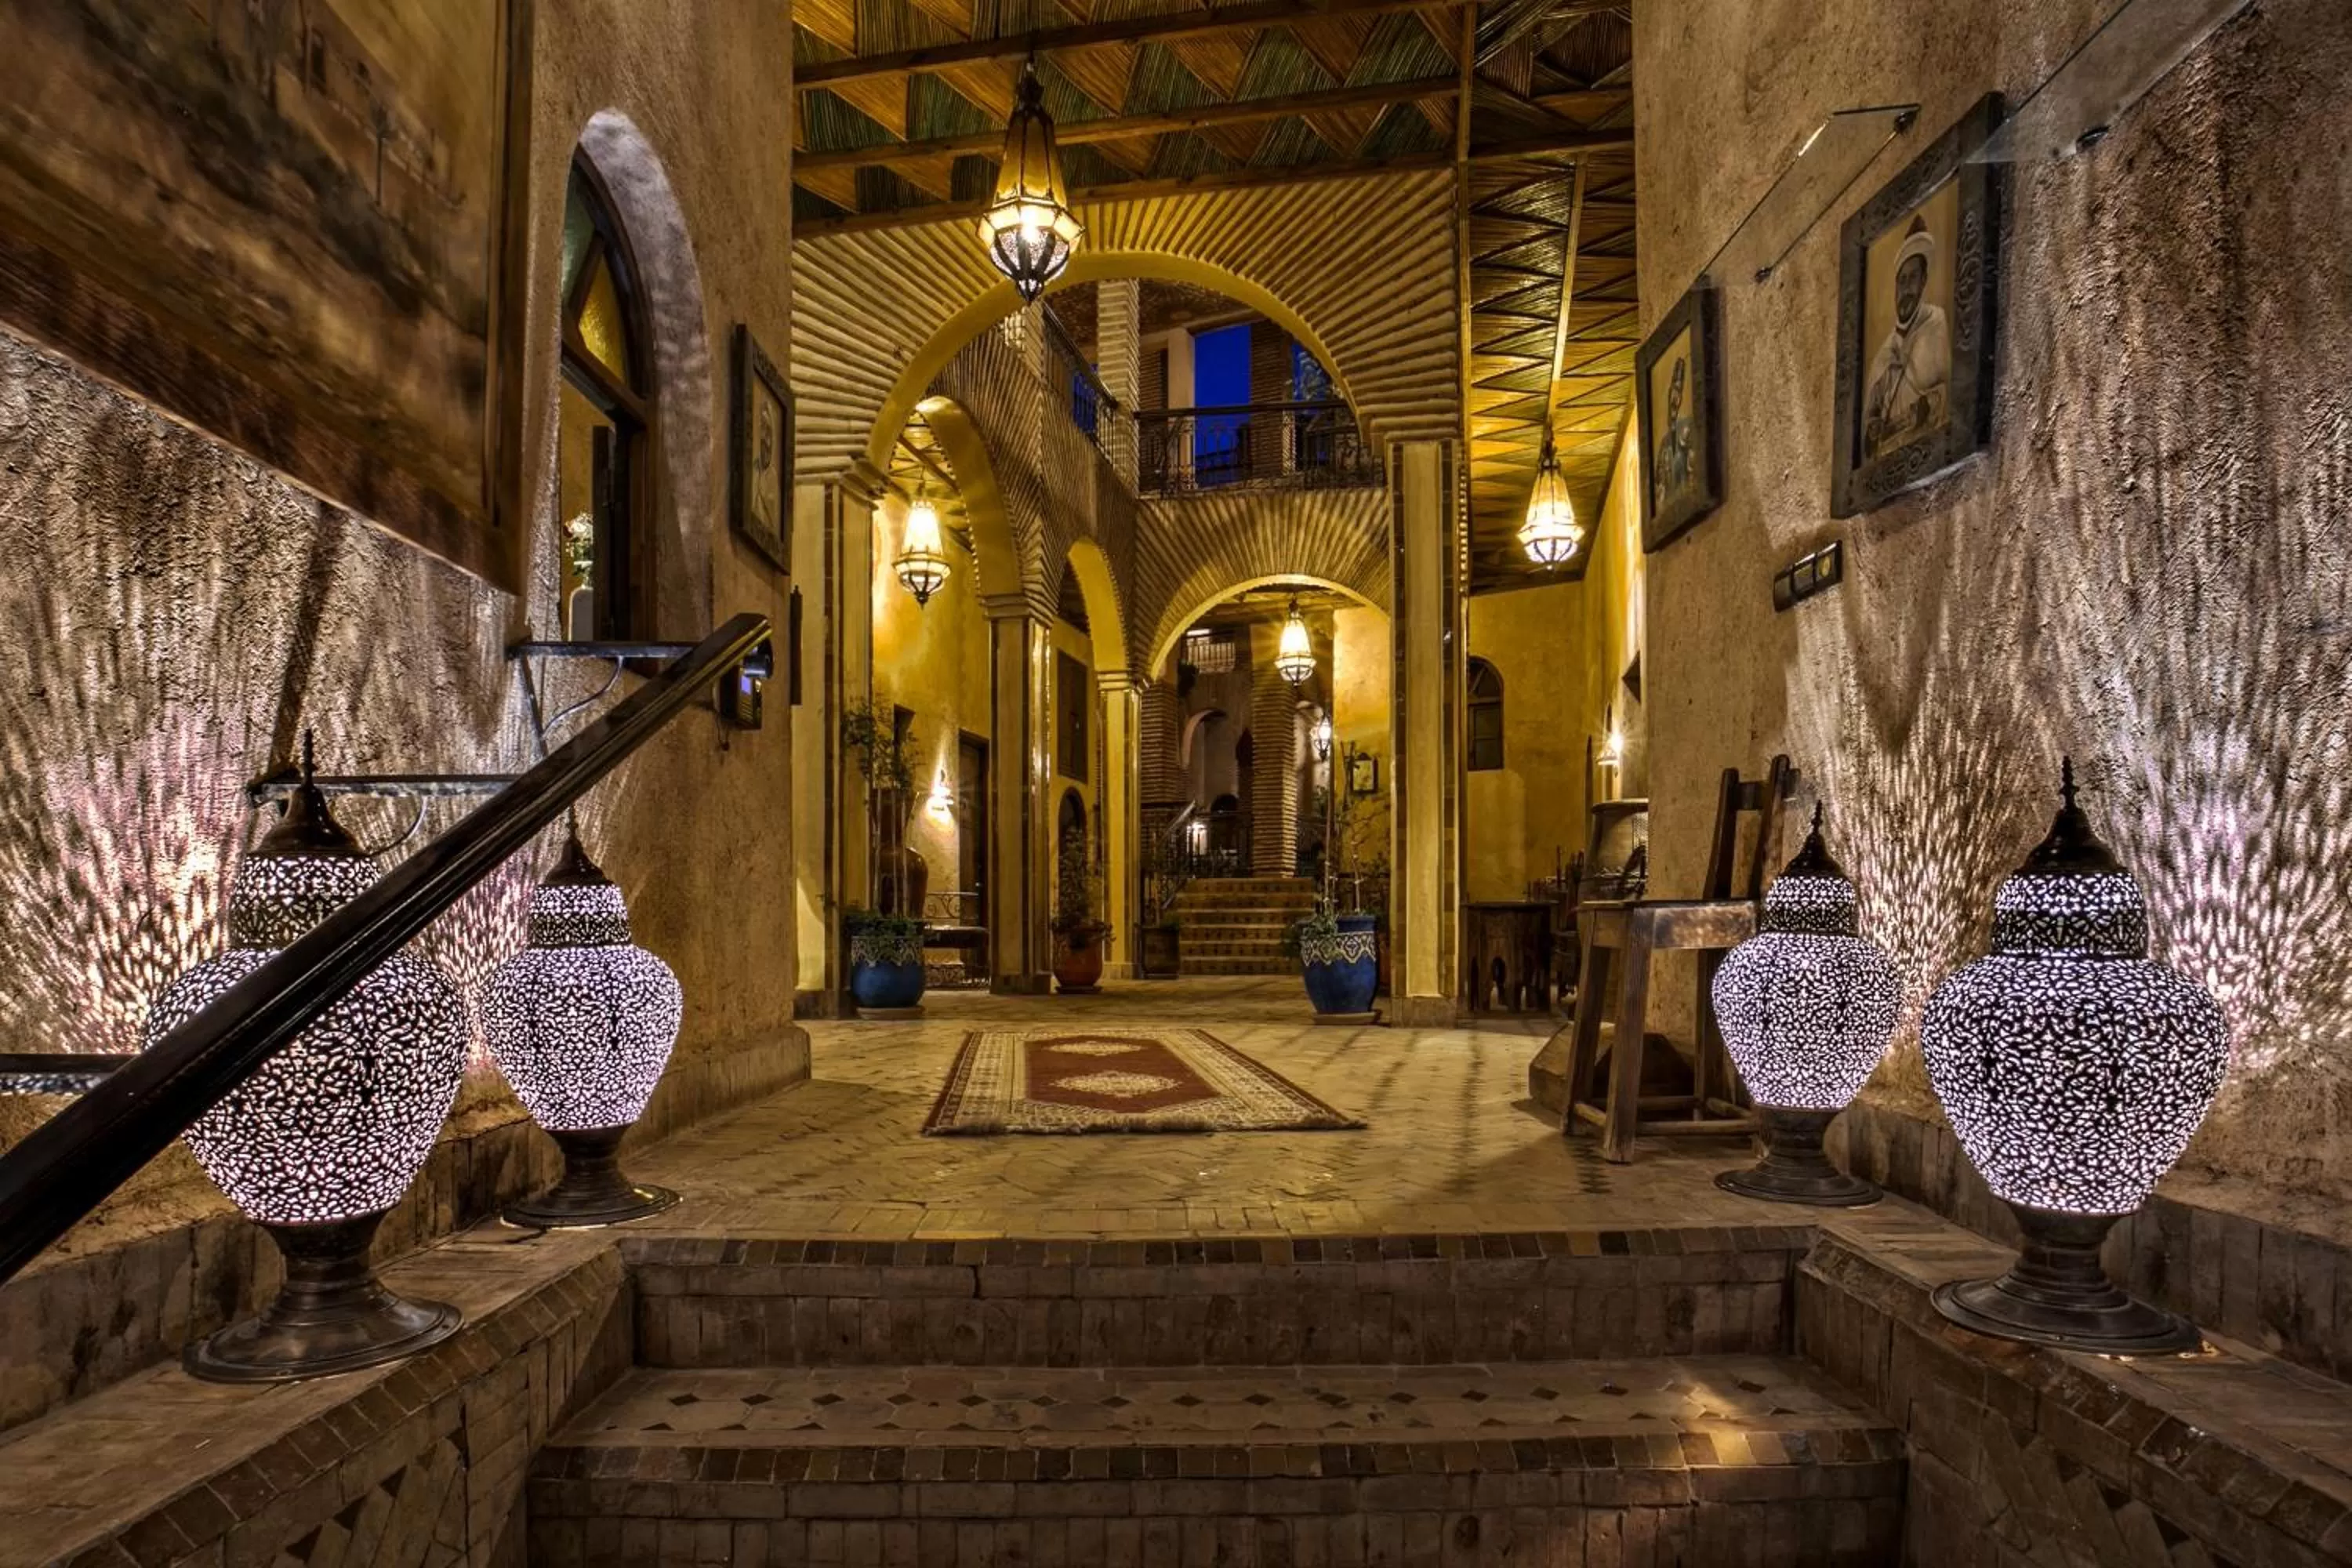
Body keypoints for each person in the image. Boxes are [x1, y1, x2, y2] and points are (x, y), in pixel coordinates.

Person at [1862, 213, 1951, 459]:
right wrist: (1872, 429)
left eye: (1913, 279)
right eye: (1902, 281)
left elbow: (1953, 393)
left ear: (1924, 281)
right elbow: (1870, 419)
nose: (1906, 289)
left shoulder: (1935, 323)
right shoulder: (1885, 351)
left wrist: (1928, 405)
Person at [1653, 356, 1693, 514]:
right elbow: (1659, 488)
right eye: (1673, 392)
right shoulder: (1664, 444)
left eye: (1679, 392)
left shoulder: (1687, 429)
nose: (1674, 401)